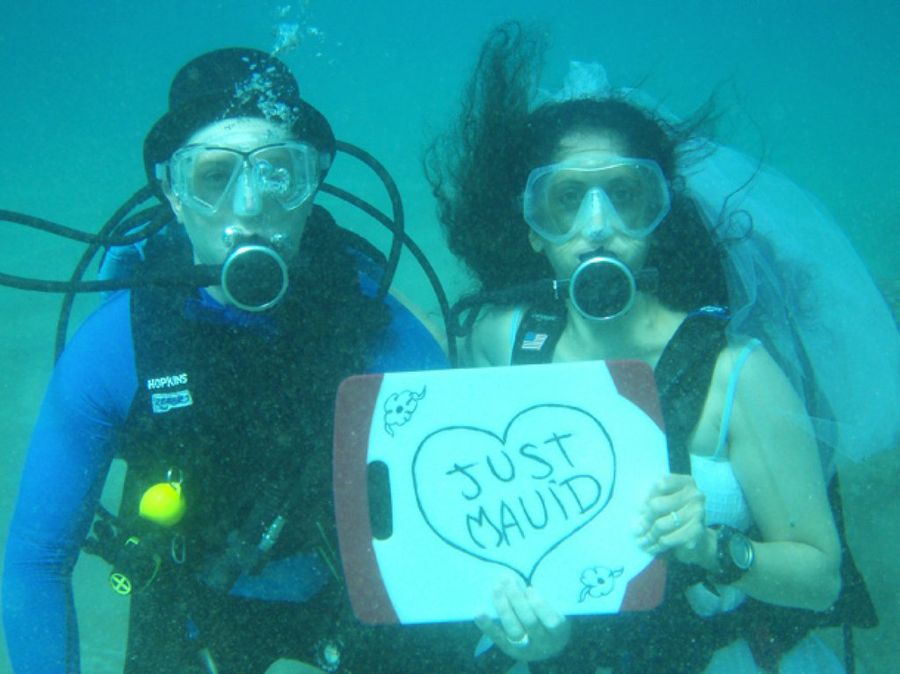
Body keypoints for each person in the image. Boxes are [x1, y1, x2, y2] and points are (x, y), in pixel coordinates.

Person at [427, 23, 897, 674]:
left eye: (624, 196)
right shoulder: (498, 341)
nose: (597, 227)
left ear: (658, 214)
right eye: (567, 200)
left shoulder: (736, 375)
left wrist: (711, 547)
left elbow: (821, 579)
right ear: (534, 228)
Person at [2, 47, 460, 674]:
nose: (249, 206)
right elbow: (38, 559)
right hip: (188, 600)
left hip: (355, 596)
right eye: (214, 176)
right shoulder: (121, 344)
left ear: (311, 185)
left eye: (278, 173)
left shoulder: (372, 322)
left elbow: (463, 504)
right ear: (173, 193)